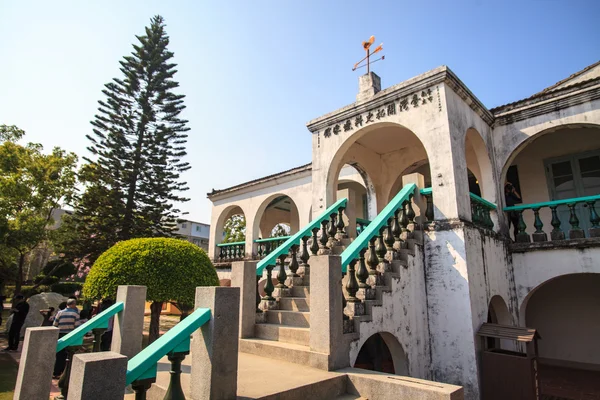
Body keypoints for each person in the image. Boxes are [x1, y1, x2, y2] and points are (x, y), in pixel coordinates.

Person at [52, 298, 80, 378]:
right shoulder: (75, 314)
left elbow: (55, 324)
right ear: (73, 304)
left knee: (59, 354)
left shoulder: (60, 313)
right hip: (70, 335)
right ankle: (66, 373)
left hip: (60, 334)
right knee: (68, 354)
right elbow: (77, 326)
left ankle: (56, 372)